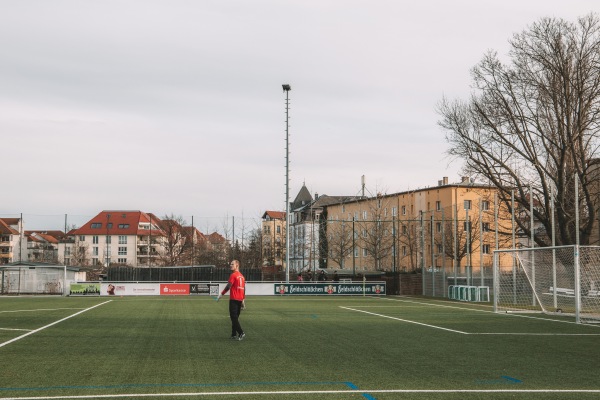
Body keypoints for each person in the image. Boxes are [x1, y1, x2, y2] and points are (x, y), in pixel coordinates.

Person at [217, 260, 246, 341]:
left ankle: (241, 332)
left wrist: (221, 294)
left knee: (233, 318)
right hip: (240, 299)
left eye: (232, 264)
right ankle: (233, 334)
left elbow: (228, 286)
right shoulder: (242, 276)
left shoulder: (233, 275)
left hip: (234, 299)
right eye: (230, 264)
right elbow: (244, 289)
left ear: (237, 265)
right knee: (235, 318)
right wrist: (243, 300)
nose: (230, 265)